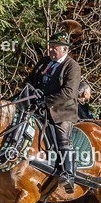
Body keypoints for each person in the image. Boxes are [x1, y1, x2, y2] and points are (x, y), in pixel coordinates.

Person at [26, 32, 82, 192]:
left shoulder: (72, 66)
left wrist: (45, 101)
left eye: (54, 48)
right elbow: (31, 80)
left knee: (62, 139)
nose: (50, 50)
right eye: (49, 47)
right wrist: (29, 94)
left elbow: (69, 92)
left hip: (62, 111)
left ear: (65, 49)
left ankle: (69, 174)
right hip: (38, 106)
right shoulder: (44, 62)